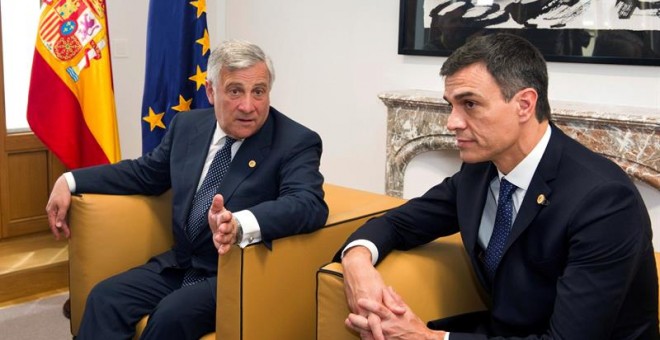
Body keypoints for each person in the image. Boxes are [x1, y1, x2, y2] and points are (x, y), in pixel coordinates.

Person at [337, 33, 658, 339]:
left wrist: (427, 338)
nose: (452, 122)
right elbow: (398, 223)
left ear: (524, 104)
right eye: (451, 105)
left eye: (470, 104)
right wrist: (357, 262)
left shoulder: (604, 201)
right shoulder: (480, 172)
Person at [46, 40, 328, 340]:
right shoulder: (187, 125)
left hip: (237, 273)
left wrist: (240, 223)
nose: (249, 106)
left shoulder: (295, 141)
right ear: (211, 91)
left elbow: (309, 203)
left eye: (258, 91)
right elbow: (144, 174)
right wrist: (70, 180)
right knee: (106, 298)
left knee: (170, 315)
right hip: (182, 263)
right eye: (235, 91)